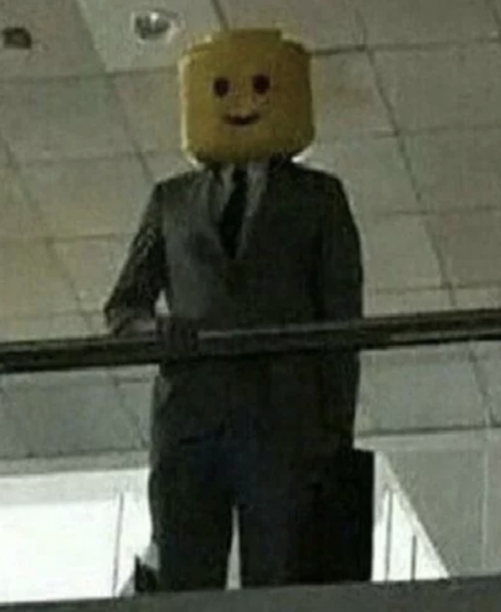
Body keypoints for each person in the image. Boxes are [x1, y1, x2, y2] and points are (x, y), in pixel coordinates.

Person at [105, 29, 364, 591]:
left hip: (285, 420)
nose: (242, 102)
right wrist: (156, 330)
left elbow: (342, 322)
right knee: (185, 577)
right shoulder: (171, 200)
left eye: (260, 87)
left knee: (279, 579)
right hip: (189, 419)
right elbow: (123, 307)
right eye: (221, 88)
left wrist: (334, 432)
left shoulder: (318, 196)